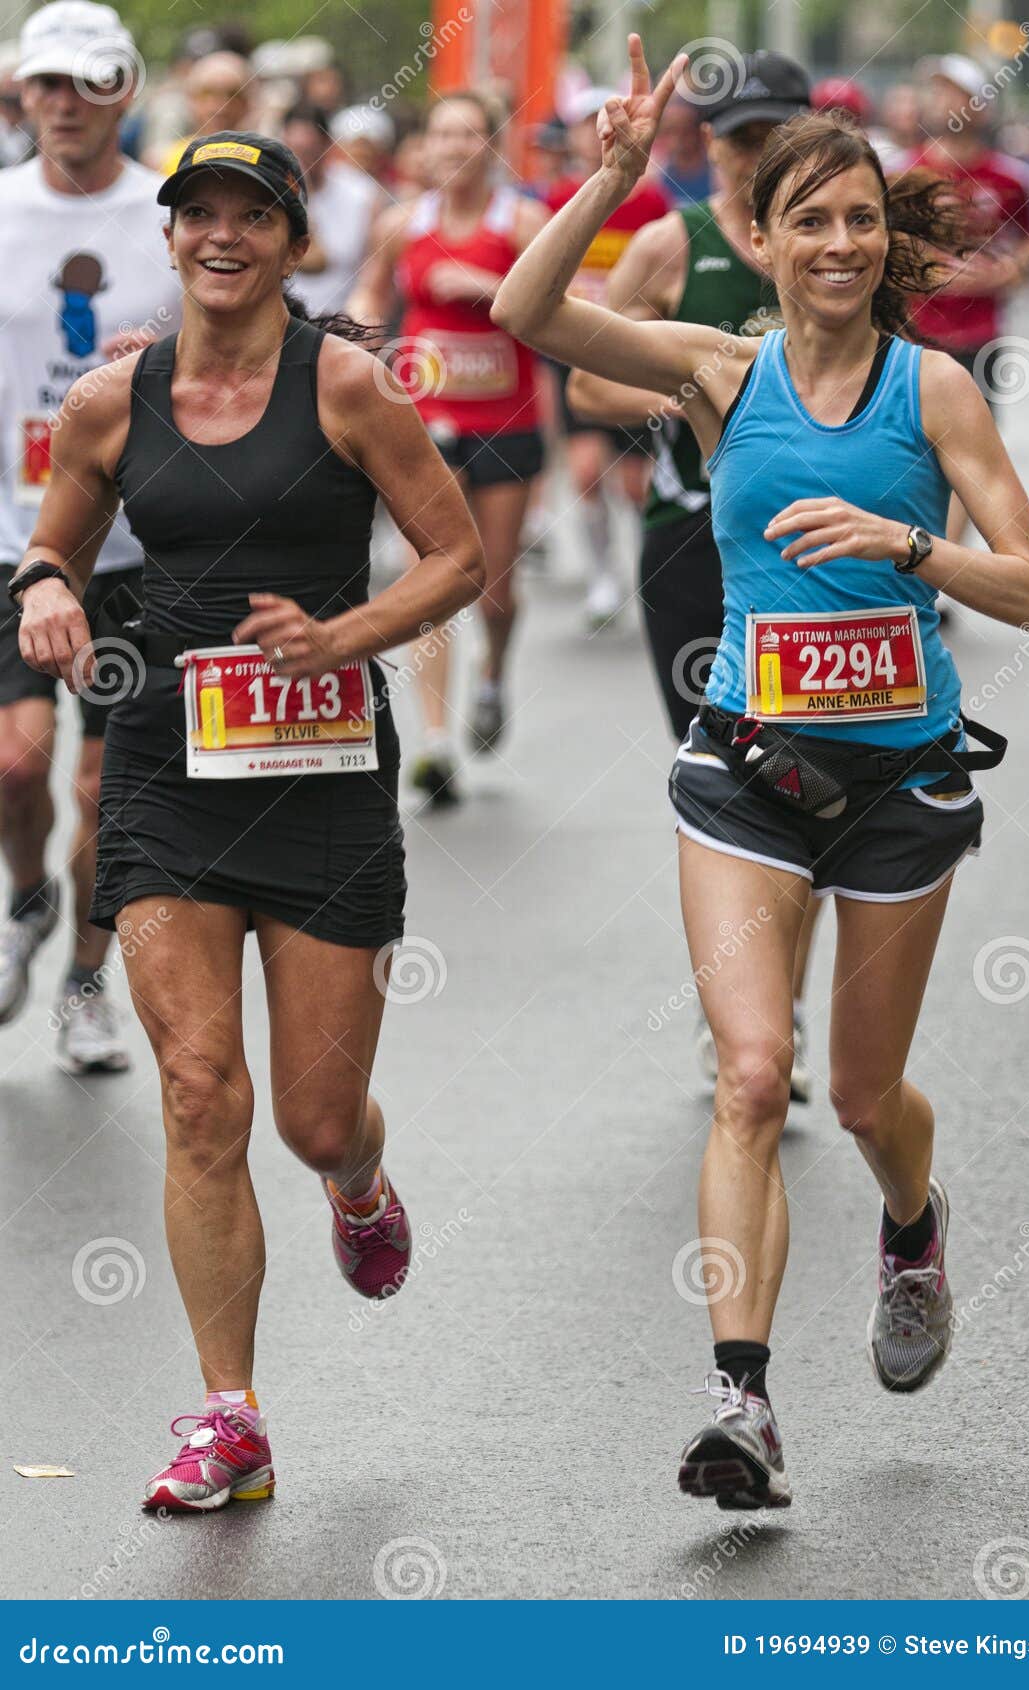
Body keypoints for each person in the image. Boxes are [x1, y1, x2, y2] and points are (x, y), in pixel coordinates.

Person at [493, 36, 1029, 1511]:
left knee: (864, 1097)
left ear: (884, 240)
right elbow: (524, 311)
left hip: (900, 780)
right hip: (743, 770)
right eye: (806, 219)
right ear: (757, 235)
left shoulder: (932, 394)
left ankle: (912, 1222)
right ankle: (739, 1398)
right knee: (752, 1075)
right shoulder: (713, 369)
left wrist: (909, 549)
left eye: (859, 218)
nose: (836, 243)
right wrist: (611, 179)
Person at [13, 131, 484, 1510]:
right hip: (165, 757)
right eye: (198, 213)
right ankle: (232, 1413)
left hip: (322, 768)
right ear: (168, 240)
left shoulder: (346, 384)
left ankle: (357, 1179)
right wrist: (46, 587)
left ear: (292, 240)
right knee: (200, 1091)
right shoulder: (112, 399)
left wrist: (342, 633)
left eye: (251, 214)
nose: (222, 234)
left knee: (312, 1115)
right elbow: (55, 537)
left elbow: (455, 554)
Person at [566, 52, 820, 1097]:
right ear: (706, 144)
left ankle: (779, 1012)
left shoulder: (844, 245)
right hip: (689, 545)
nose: (756, 156)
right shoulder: (676, 244)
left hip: (816, 555)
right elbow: (583, 378)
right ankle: (745, 1019)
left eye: (775, 137)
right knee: (731, 781)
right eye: (739, 138)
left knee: (813, 782)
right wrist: (672, 397)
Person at [0, 1, 181, 1072]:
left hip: (140, 545)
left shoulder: (173, 211)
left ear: (122, 89)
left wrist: (162, 353)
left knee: (100, 792)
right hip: (13, 536)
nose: (61, 104)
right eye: (42, 85)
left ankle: (83, 982)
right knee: (17, 766)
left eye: (83, 84)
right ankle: (26, 901)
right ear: (22, 95)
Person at [351, 91, 547, 803]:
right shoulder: (403, 224)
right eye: (443, 133)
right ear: (426, 147)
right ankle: (435, 741)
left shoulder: (521, 221)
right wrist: (369, 336)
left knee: (493, 589)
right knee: (431, 581)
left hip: (506, 422)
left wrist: (485, 284)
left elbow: (559, 307)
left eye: (470, 133)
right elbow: (368, 297)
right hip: (425, 425)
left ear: (492, 145)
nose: (455, 146)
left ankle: (492, 673)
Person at [895, 56, 1029, 544]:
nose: (946, 102)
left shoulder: (1011, 178)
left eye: (957, 92)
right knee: (909, 456)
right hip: (910, 337)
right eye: (938, 91)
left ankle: (935, 576)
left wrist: (1010, 271)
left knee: (969, 460)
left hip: (979, 339)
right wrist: (928, 271)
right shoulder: (901, 175)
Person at [546, 87, 672, 629]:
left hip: (629, 350)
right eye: (583, 124)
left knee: (635, 484)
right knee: (584, 473)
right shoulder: (559, 198)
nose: (592, 133)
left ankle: (649, 572)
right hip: (575, 347)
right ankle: (603, 577)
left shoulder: (651, 202)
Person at [281, 102, 383, 317]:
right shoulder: (271, 196)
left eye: (308, 152)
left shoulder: (363, 194)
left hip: (344, 322)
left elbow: (373, 269)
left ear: (327, 146)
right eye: (292, 151)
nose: (299, 162)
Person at [156, 50, 254, 174]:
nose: (220, 107)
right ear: (190, 99)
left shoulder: (264, 162)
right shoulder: (166, 162)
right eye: (207, 94)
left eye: (232, 95)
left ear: (248, 103)